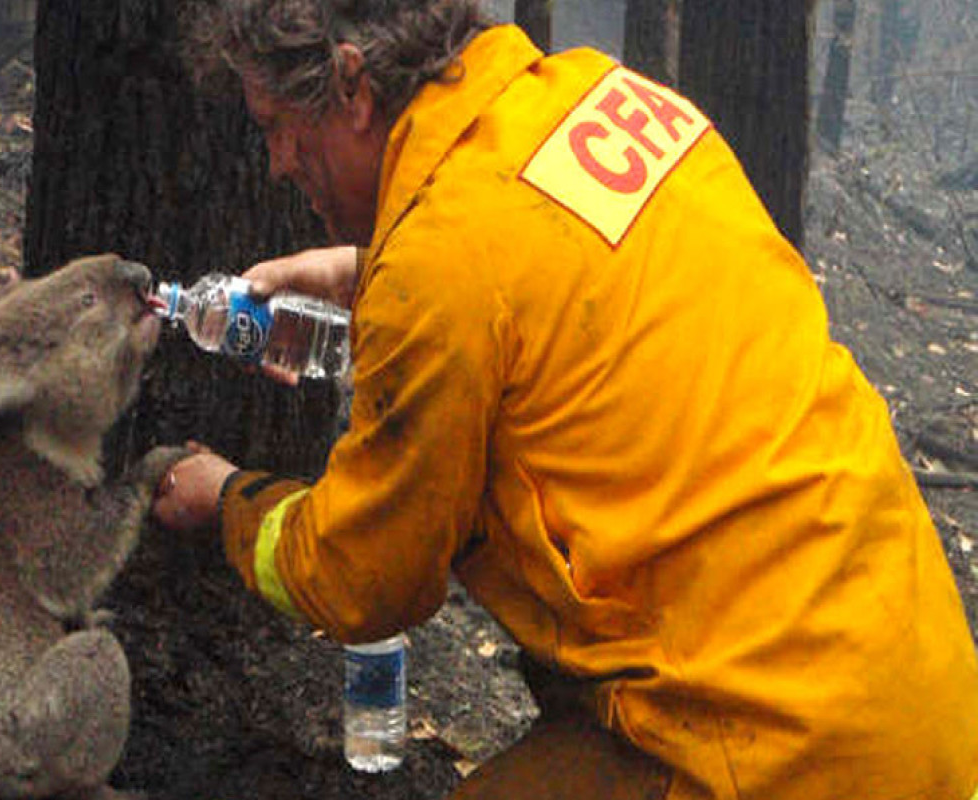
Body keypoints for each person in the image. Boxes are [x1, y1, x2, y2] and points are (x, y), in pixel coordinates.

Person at [152, 2, 978, 798]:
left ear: (352, 87)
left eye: (274, 127)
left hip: (769, 749)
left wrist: (228, 499)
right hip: (913, 680)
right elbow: (551, 277)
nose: (276, 163)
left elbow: (365, 579)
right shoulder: (599, 96)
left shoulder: (443, 269)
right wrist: (363, 273)